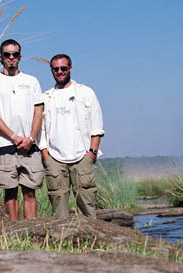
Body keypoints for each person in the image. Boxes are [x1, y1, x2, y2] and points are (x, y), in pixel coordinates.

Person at [0, 39, 44, 221]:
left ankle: (32, 231)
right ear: (0, 57)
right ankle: (14, 232)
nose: (11, 58)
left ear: (20, 57)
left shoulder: (31, 81)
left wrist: (31, 138)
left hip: (29, 146)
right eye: (7, 55)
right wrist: (13, 137)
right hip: (4, 145)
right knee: (10, 194)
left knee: (30, 192)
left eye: (15, 54)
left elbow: (38, 111)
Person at [38, 54, 104, 218]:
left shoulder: (86, 93)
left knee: (87, 206)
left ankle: (91, 241)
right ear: (52, 71)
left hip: (82, 156)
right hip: (54, 158)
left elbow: (97, 126)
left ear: (70, 69)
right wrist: (45, 154)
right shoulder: (45, 97)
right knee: (58, 209)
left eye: (63, 68)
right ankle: (61, 240)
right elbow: (41, 130)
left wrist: (92, 153)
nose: (60, 72)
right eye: (56, 69)